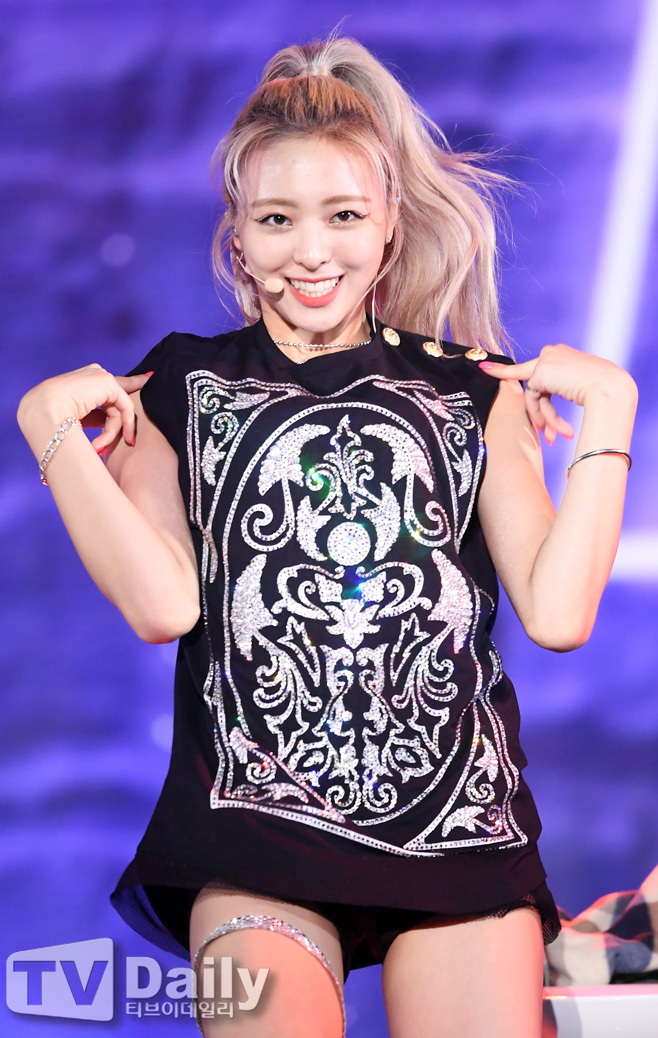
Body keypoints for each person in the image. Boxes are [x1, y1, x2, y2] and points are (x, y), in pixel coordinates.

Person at [17, 34, 637, 1038]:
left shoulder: (472, 391)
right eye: (277, 219)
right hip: (252, 839)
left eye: (344, 215)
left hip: (460, 835)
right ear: (236, 236)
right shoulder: (180, 386)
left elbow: (560, 616)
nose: (311, 251)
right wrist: (49, 427)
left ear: (389, 225)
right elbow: (162, 606)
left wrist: (611, 411)